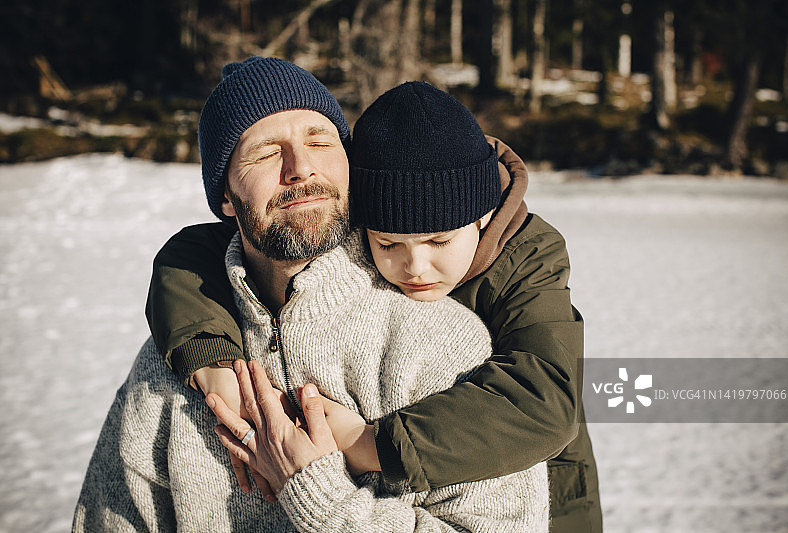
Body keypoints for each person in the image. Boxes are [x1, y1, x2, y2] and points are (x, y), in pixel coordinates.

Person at [73, 58, 549, 532]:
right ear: (225, 198)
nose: (300, 168)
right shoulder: (175, 364)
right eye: (264, 153)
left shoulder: (445, 349)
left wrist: (323, 499)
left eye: (320, 141)